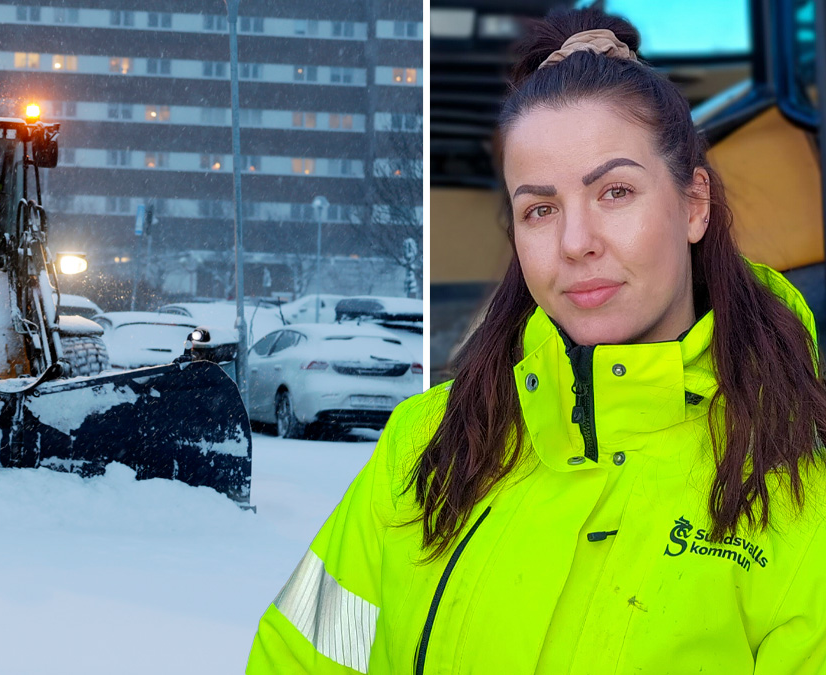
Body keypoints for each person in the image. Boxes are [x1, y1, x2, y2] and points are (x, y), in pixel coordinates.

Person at [247, 9, 826, 674]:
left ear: (694, 205)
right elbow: (299, 656)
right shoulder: (425, 444)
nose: (575, 242)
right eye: (540, 209)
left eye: (615, 191)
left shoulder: (799, 494)